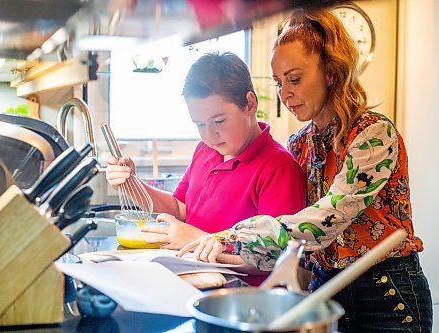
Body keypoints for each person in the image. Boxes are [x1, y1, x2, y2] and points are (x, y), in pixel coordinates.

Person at [179, 9, 433, 332]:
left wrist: (233, 237)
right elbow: (296, 245)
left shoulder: (372, 135)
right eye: (278, 82)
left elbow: (327, 219)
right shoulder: (300, 145)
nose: (285, 94)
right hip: (324, 288)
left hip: (386, 296)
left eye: (295, 79)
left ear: (330, 70)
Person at [106, 51, 306, 285]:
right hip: (195, 283)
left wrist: (199, 239)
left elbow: (276, 258)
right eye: (199, 124)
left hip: (240, 299)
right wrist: (132, 184)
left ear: (249, 104)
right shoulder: (206, 150)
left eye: (219, 121)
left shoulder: (279, 169)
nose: (210, 134)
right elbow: (179, 209)